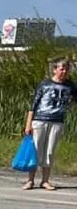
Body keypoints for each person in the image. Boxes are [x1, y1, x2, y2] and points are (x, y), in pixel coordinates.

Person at [23, 58, 74, 191]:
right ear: (55, 70)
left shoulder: (70, 86)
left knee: (50, 151)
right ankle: (30, 180)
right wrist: (28, 124)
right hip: (40, 120)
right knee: (36, 150)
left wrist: (69, 105)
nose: (64, 72)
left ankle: (45, 180)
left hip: (57, 121)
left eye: (67, 69)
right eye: (62, 69)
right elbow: (33, 105)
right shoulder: (45, 84)